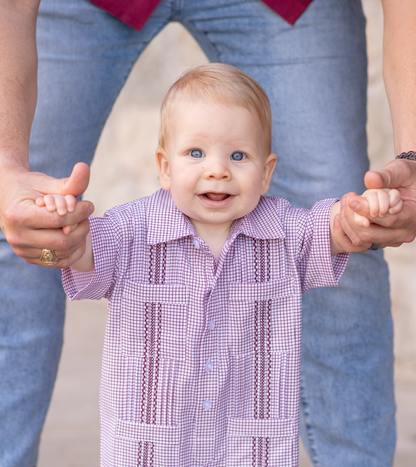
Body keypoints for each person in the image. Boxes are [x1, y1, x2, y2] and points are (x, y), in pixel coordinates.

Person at [1, 1, 416, 466]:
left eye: (238, 157)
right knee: (21, 230)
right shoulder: (131, 229)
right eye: (195, 153)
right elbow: (79, 248)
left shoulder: (284, 230)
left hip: (249, 449)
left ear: (265, 174)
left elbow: (338, 228)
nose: (217, 171)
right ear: (163, 167)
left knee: (347, 231)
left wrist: (364, 213)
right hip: (152, 449)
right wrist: (62, 224)